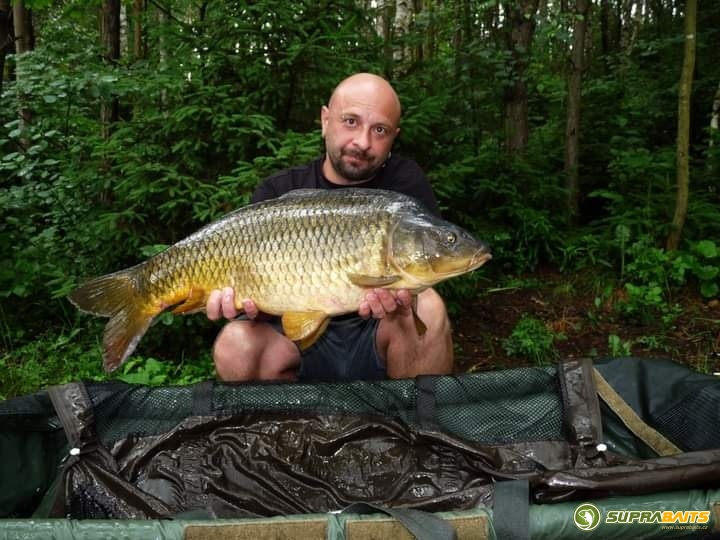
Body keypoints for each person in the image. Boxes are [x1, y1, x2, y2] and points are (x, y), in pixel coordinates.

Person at [207, 73, 453, 382]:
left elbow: (425, 270)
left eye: (379, 130)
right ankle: (291, 413)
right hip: (295, 343)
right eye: (351, 121)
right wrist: (245, 302)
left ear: (394, 136)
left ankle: (406, 412)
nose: (363, 142)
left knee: (429, 307)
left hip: (378, 332)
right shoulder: (278, 191)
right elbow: (258, 301)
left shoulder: (405, 185)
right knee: (235, 345)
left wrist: (403, 303)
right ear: (325, 120)